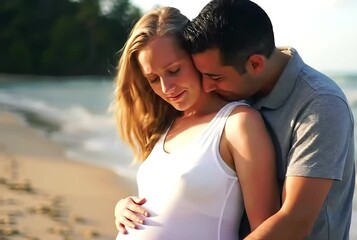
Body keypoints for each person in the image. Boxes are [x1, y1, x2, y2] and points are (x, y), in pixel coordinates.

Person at [182, 0, 356, 239]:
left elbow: (295, 221)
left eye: (215, 77)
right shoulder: (234, 90)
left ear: (255, 64)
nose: (206, 86)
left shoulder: (321, 104)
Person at [112, 6, 279, 240]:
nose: (166, 88)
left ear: (195, 57)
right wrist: (123, 207)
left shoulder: (237, 124)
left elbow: (268, 229)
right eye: (153, 79)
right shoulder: (167, 125)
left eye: (174, 70)